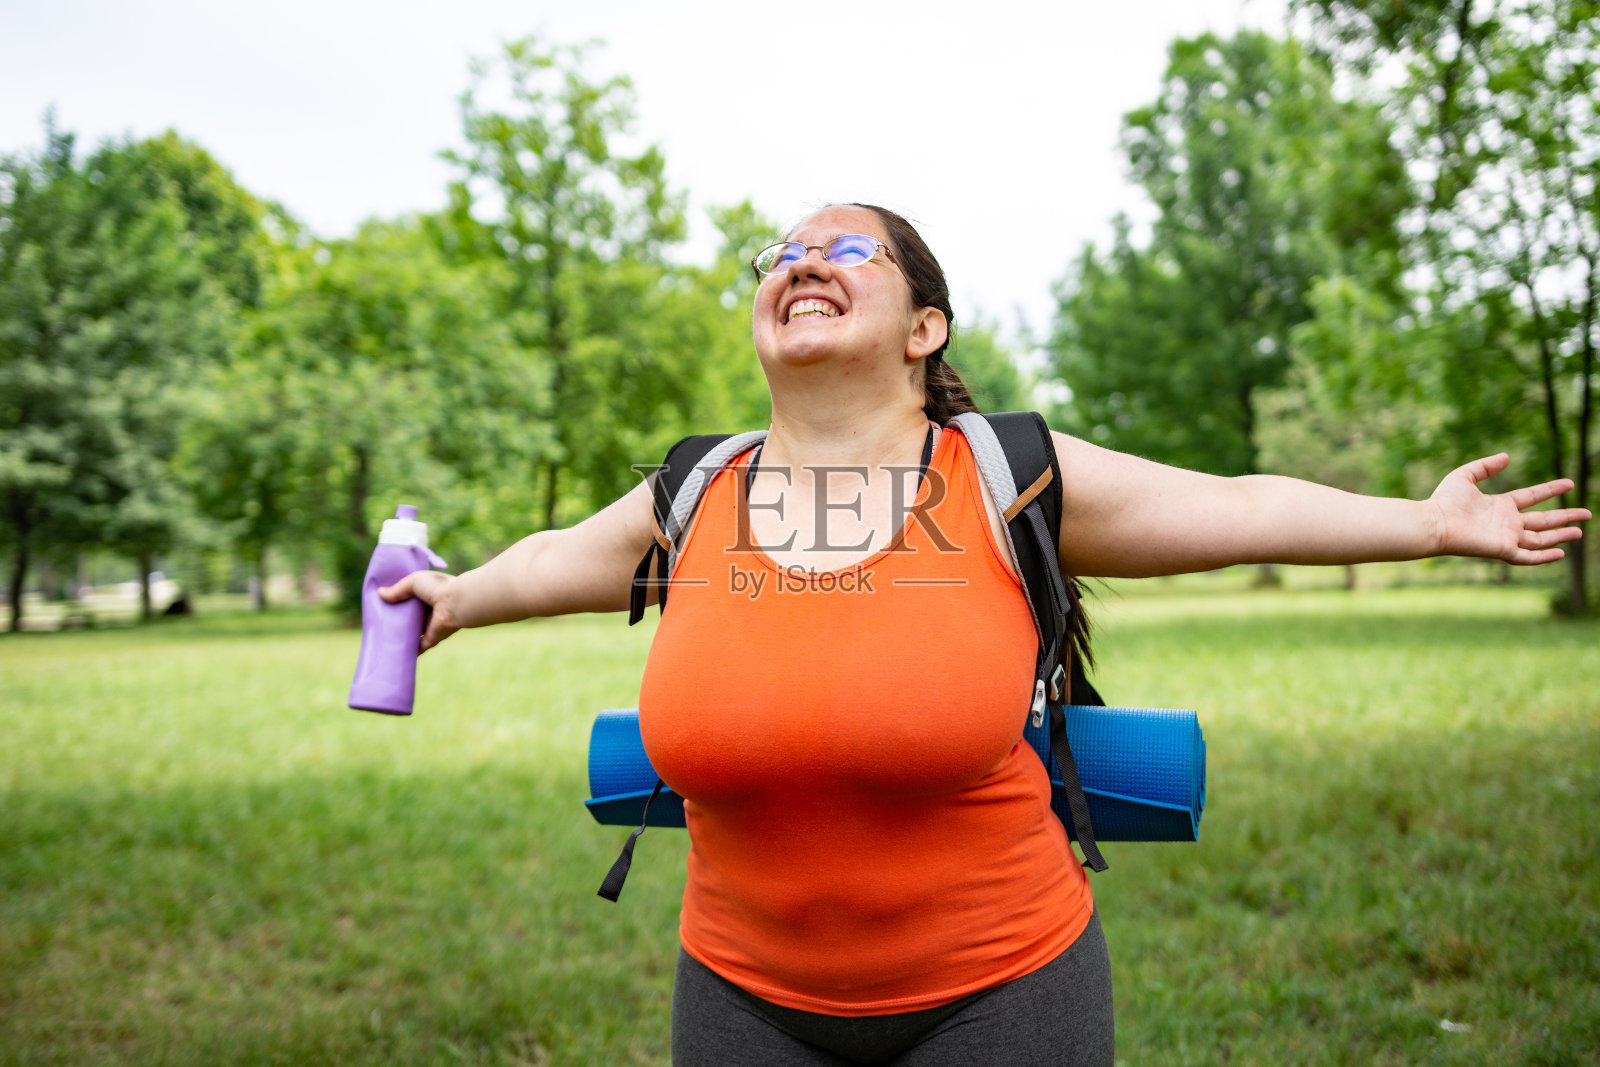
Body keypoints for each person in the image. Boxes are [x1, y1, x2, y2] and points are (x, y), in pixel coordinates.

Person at [380, 203, 1589, 1066]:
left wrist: (1429, 524)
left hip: (1001, 994)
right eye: (780, 255)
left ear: (924, 329)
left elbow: (1236, 506)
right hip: (739, 996)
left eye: (843, 248)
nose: (800, 263)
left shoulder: (1006, 472)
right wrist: (457, 593)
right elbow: (551, 560)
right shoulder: (694, 491)